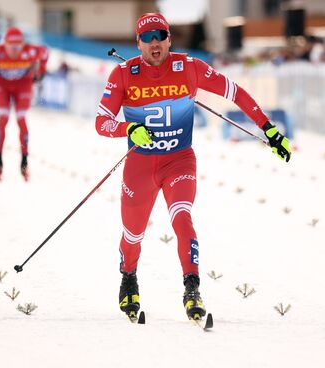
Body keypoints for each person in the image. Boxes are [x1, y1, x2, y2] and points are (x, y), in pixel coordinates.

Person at [95, 13, 291, 321]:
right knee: (133, 235)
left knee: (182, 219)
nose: (154, 43)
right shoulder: (123, 73)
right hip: (140, 166)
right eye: (147, 38)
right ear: (138, 43)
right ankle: (129, 277)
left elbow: (235, 92)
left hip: (179, 160)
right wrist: (128, 130)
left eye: (160, 35)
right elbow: (101, 122)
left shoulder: (189, 67)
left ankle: (192, 288)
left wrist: (267, 127)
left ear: (170, 38)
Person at [0, 27, 48, 181]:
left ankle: (24, 162)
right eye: (11, 46)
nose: (14, 50)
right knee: (3, 118)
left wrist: (40, 71)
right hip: (1, 85)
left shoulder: (31, 51)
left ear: (23, 45)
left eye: (18, 46)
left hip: (23, 85)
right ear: (4, 44)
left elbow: (45, 53)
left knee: (21, 119)